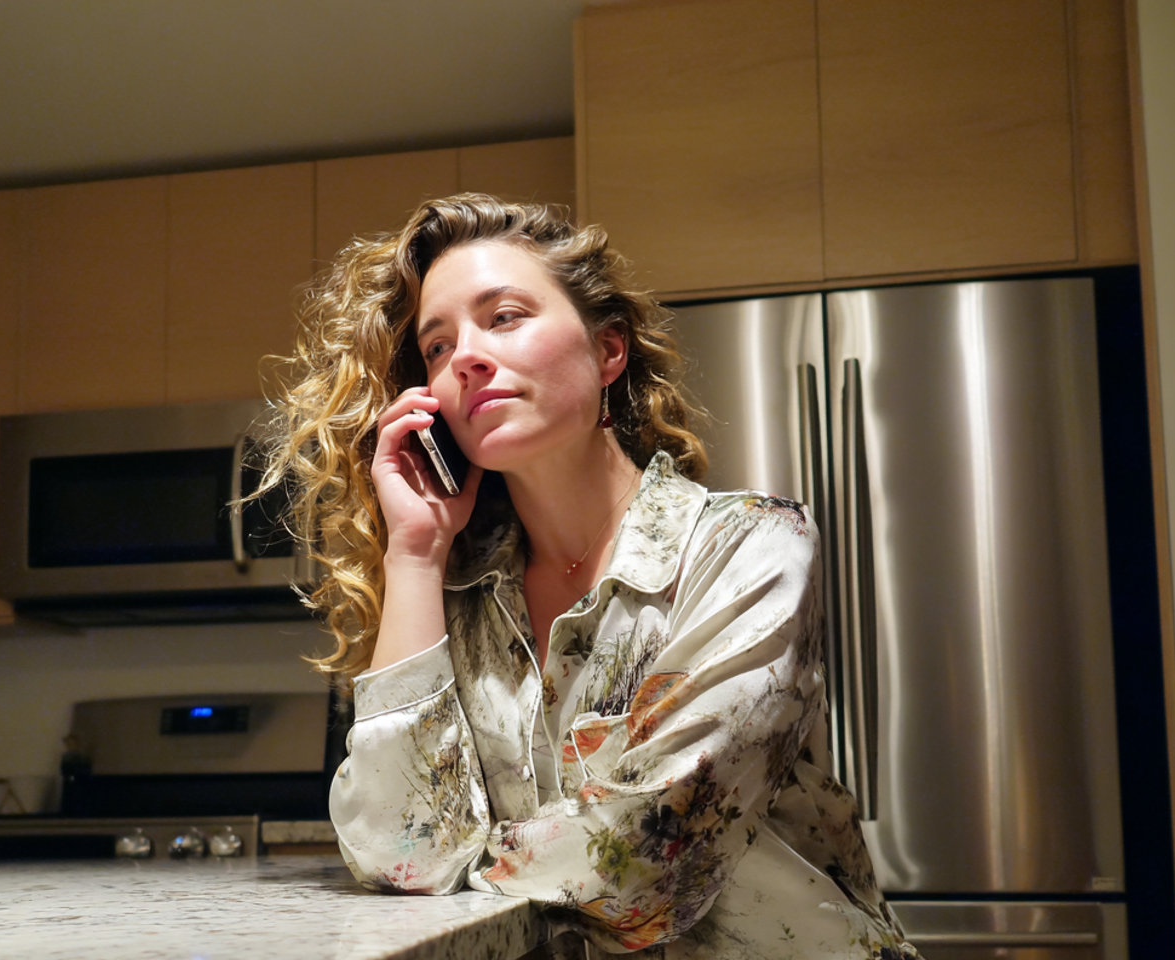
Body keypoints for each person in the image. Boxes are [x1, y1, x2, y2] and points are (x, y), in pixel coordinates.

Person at [261, 194, 918, 959]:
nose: (465, 356)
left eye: (504, 316)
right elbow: (397, 853)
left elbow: (646, 861)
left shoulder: (749, 545)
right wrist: (414, 555)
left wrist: (463, 857)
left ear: (609, 352)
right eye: (437, 348)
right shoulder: (459, 602)